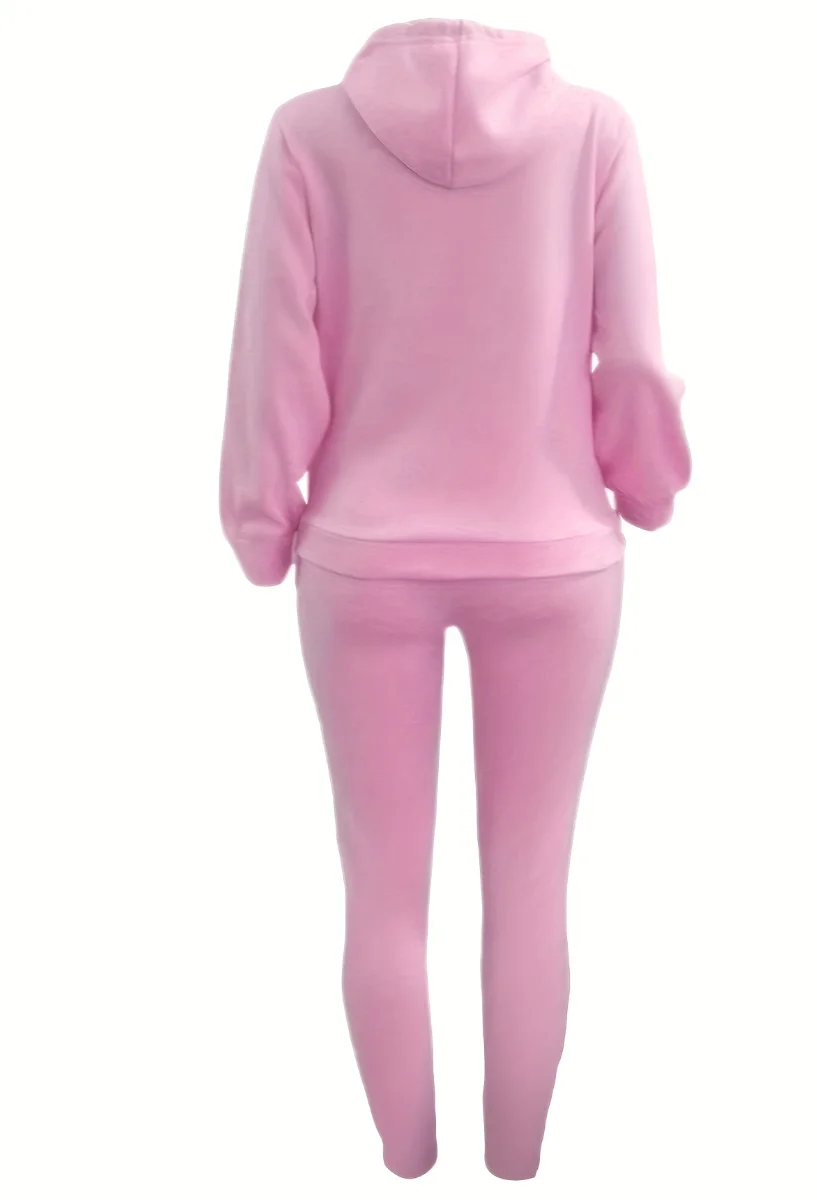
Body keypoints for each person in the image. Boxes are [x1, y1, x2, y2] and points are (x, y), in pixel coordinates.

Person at [218, 17, 691, 1181]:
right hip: (555, 553)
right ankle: (517, 1162)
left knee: (382, 892)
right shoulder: (595, 130)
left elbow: (274, 355)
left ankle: (408, 1157)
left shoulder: (306, 136)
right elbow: (634, 357)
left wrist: (261, 523)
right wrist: (642, 486)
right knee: (531, 887)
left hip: (362, 556)